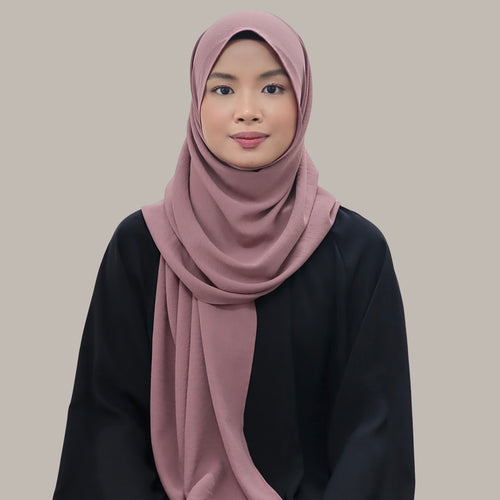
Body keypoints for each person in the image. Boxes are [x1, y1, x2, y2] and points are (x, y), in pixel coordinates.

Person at [52, 10, 415, 500]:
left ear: (303, 99)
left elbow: (374, 434)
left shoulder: (355, 252)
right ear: (196, 101)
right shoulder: (142, 246)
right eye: (223, 89)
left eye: (272, 88)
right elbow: (107, 424)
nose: (248, 110)